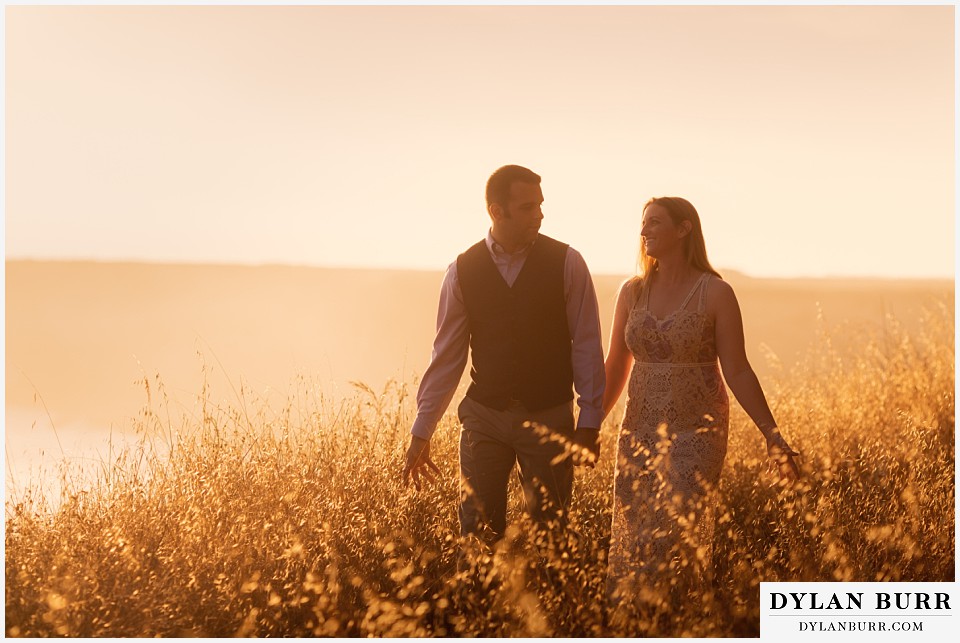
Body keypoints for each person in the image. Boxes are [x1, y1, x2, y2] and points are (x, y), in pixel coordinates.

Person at [601, 196, 799, 622]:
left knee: (677, 538)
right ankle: (636, 625)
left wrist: (773, 435)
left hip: (697, 432)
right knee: (636, 538)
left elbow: (739, 369)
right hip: (638, 429)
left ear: (684, 229)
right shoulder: (631, 291)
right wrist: (588, 425)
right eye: (643, 224)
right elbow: (616, 363)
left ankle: (681, 622)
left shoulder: (716, 292)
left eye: (655, 223)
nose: (644, 231)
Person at [401, 164, 605, 553]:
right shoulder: (461, 270)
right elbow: (446, 357)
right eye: (528, 207)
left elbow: (587, 346)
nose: (540, 215)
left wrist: (589, 421)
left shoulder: (568, 262)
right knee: (477, 534)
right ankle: (476, 610)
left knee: (552, 534)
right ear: (497, 211)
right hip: (484, 416)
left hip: (549, 416)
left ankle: (551, 611)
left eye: (541, 205)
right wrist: (421, 431)